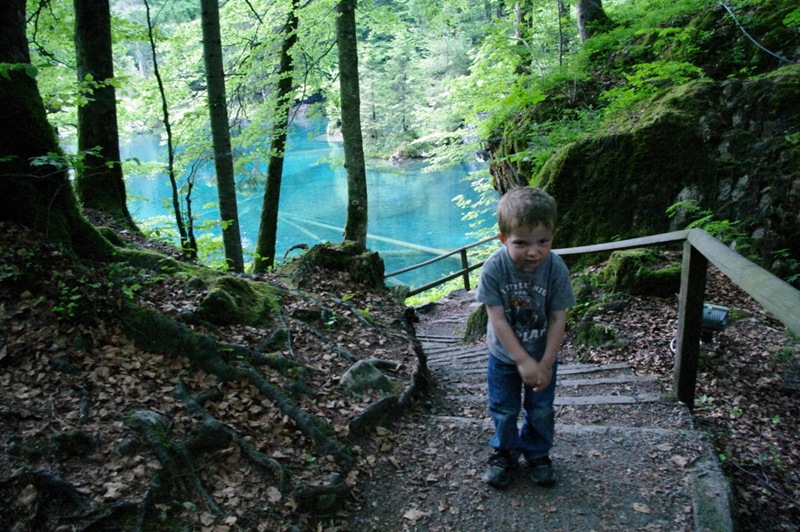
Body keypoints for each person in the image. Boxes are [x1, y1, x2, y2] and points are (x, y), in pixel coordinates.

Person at [476, 186, 575, 488]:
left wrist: (545, 363)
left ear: (553, 235)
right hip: (503, 357)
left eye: (543, 241)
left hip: (543, 354)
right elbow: (497, 317)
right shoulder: (494, 268)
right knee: (504, 407)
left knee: (541, 409)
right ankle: (504, 453)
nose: (534, 252)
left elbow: (558, 317)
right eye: (521, 243)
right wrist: (521, 359)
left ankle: (537, 453)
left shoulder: (555, 269)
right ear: (503, 238)